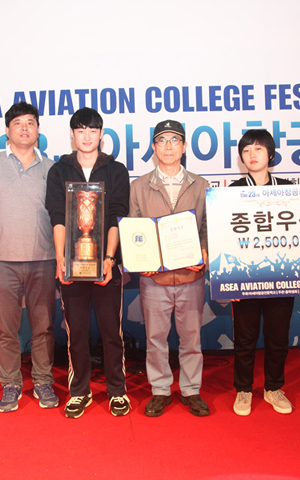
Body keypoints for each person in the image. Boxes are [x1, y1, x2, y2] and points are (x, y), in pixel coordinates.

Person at [0, 102, 58, 413]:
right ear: (7, 130)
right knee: (6, 329)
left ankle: (43, 380)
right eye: (17, 123)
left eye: (30, 122)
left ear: (38, 130)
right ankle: (10, 383)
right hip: (1, 260)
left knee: (43, 328)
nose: (24, 128)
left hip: (43, 259)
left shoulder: (52, 169)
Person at [45, 107, 131, 418]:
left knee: (112, 332)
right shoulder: (59, 171)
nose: (86, 136)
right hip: (71, 266)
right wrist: (61, 258)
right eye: (80, 130)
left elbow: (117, 215)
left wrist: (109, 258)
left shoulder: (116, 170)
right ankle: (79, 391)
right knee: (77, 333)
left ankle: (117, 390)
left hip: (106, 266)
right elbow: (57, 216)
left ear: (101, 134)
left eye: (92, 130)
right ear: (72, 134)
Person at [128, 120, 210, 417]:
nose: (168, 146)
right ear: (154, 148)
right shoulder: (139, 186)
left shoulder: (200, 185)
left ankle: (191, 389)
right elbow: (133, 230)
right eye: (162, 141)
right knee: (155, 340)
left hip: (191, 276)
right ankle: (160, 390)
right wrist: (140, 261)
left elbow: (207, 227)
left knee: (192, 339)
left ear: (184, 147)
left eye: (175, 140)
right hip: (155, 279)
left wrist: (204, 253)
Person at [229, 129, 295, 416]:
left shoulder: (289, 190)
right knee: (244, 338)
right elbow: (224, 238)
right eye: (246, 151)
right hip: (245, 278)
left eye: (258, 149)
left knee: (278, 338)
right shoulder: (231, 192)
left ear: (271, 153)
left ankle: (273, 388)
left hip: (283, 277)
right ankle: (243, 390)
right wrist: (228, 281)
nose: (252, 155)